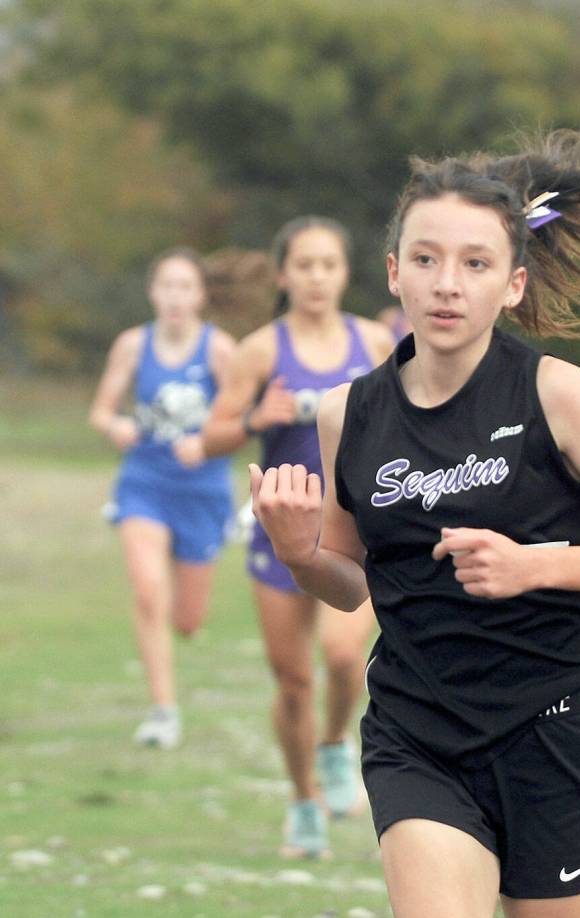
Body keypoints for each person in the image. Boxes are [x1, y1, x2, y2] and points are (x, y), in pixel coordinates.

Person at [249, 127, 580, 918]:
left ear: (510, 284)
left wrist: (535, 568)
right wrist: (298, 552)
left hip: (557, 738)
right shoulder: (345, 413)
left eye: (473, 263)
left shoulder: (558, 393)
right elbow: (351, 581)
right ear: (392, 271)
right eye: (425, 258)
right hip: (419, 737)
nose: (445, 282)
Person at [202, 215, 393, 858]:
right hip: (280, 532)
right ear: (283, 274)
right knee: (292, 682)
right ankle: (303, 799)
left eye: (329, 264)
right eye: (304, 265)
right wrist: (259, 417)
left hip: (352, 532)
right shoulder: (258, 350)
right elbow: (212, 437)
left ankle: (337, 744)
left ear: (345, 273)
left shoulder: (374, 343)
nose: (317, 277)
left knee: (343, 659)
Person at [89, 248, 236, 750]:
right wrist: (117, 425)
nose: (175, 296)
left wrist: (209, 440)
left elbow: (243, 422)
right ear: (153, 292)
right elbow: (101, 412)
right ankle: (163, 711)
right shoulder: (132, 345)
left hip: (203, 491)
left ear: (201, 295)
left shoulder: (220, 350)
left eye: (186, 286)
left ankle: (183, 622)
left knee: (187, 621)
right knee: (148, 589)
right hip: (144, 483)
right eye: (167, 286)